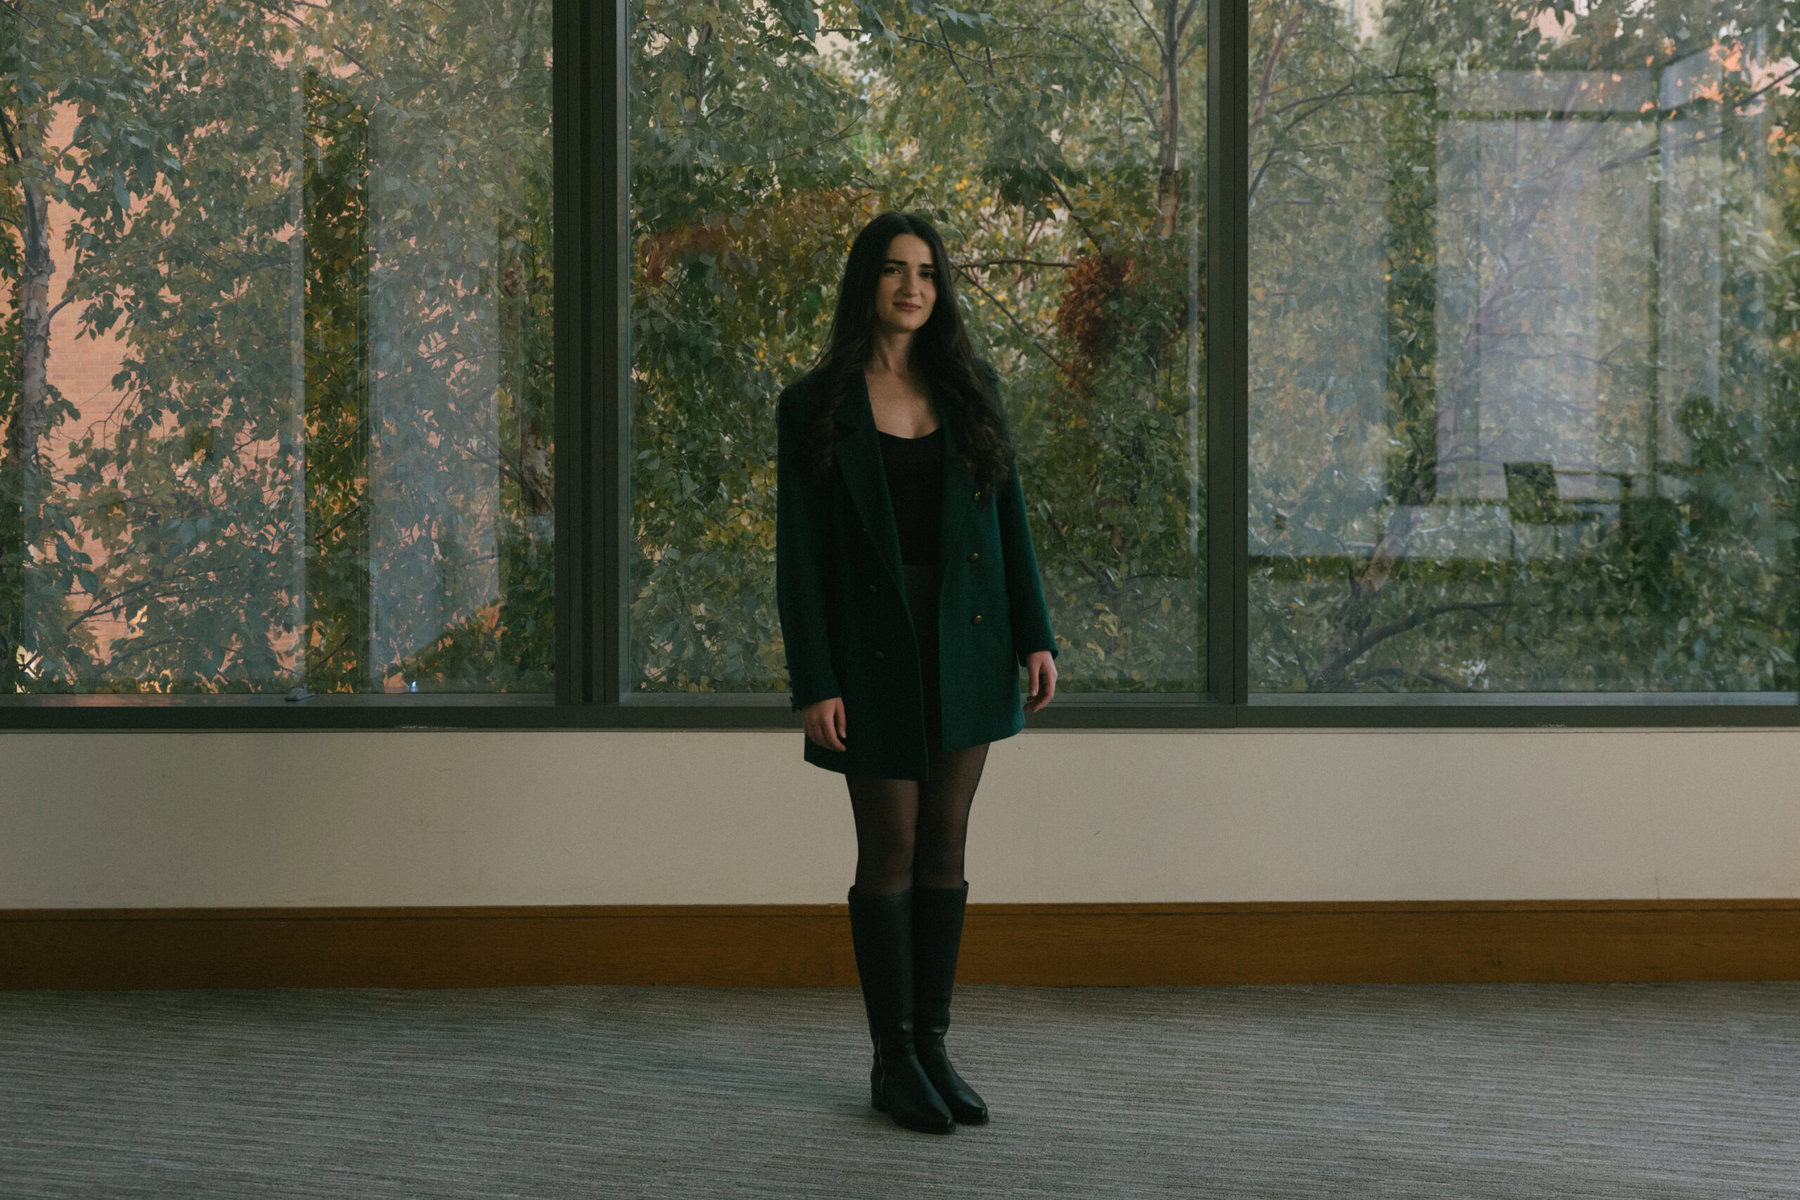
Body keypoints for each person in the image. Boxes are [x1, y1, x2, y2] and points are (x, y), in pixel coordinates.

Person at [775, 211, 1059, 1134]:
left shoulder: (972, 390)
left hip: (970, 642)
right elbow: (801, 561)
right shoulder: (815, 404)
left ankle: (934, 1043)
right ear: (868, 283)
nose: (914, 287)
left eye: (929, 272)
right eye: (896, 271)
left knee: (947, 842)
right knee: (889, 846)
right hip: (873, 653)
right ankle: (891, 1056)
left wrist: (1036, 636)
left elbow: (1008, 526)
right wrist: (816, 680)